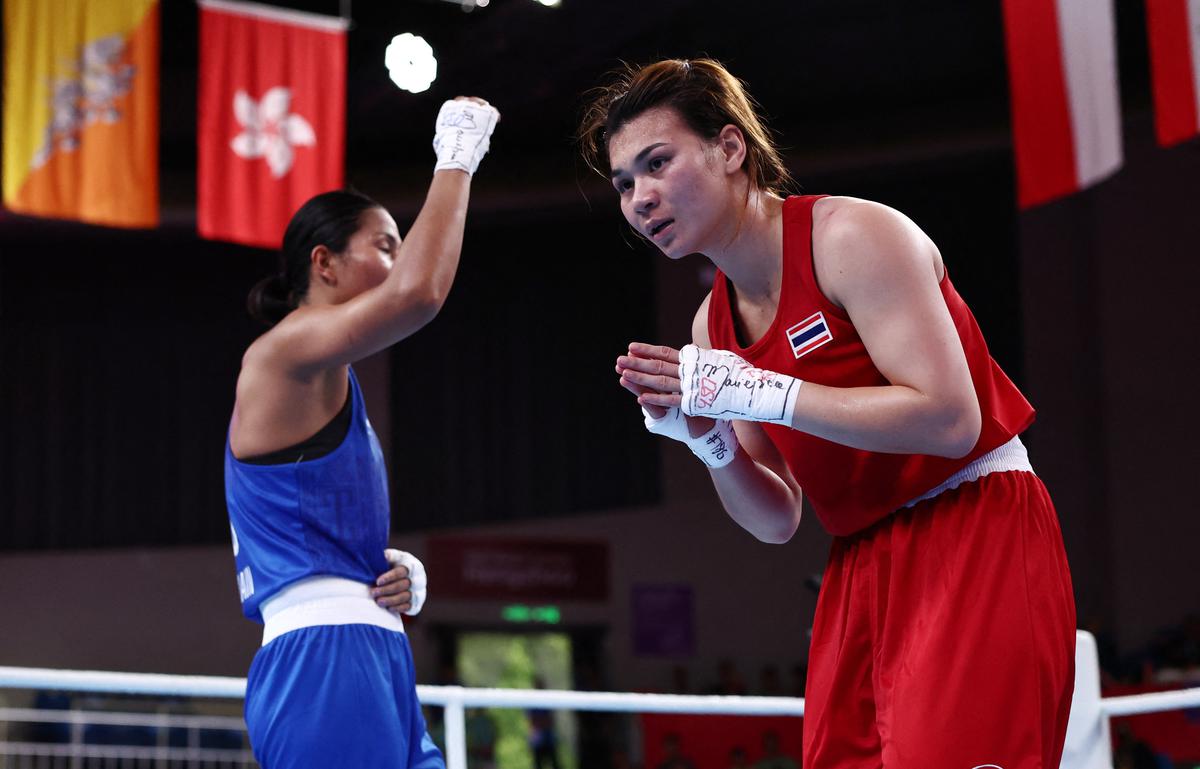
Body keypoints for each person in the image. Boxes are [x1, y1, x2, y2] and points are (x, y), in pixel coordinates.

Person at [579, 59, 1075, 769]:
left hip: (974, 521)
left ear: (729, 147)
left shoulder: (854, 237)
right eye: (624, 183)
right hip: (859, 560)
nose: (639, 198)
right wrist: (708, 439)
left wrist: (760, 390)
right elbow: (777, 516)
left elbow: (949, 418)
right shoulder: (710, 325)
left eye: (657, 163)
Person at [224, 96, 499, 768]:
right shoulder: (280, 356)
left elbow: (301, 523)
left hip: (371, 651)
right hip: (324, 661)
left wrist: (379, 568)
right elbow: (419, 293)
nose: (400, 262)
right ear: (325, 264)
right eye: (385, 245)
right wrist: (457, 155)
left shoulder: (325, 379)